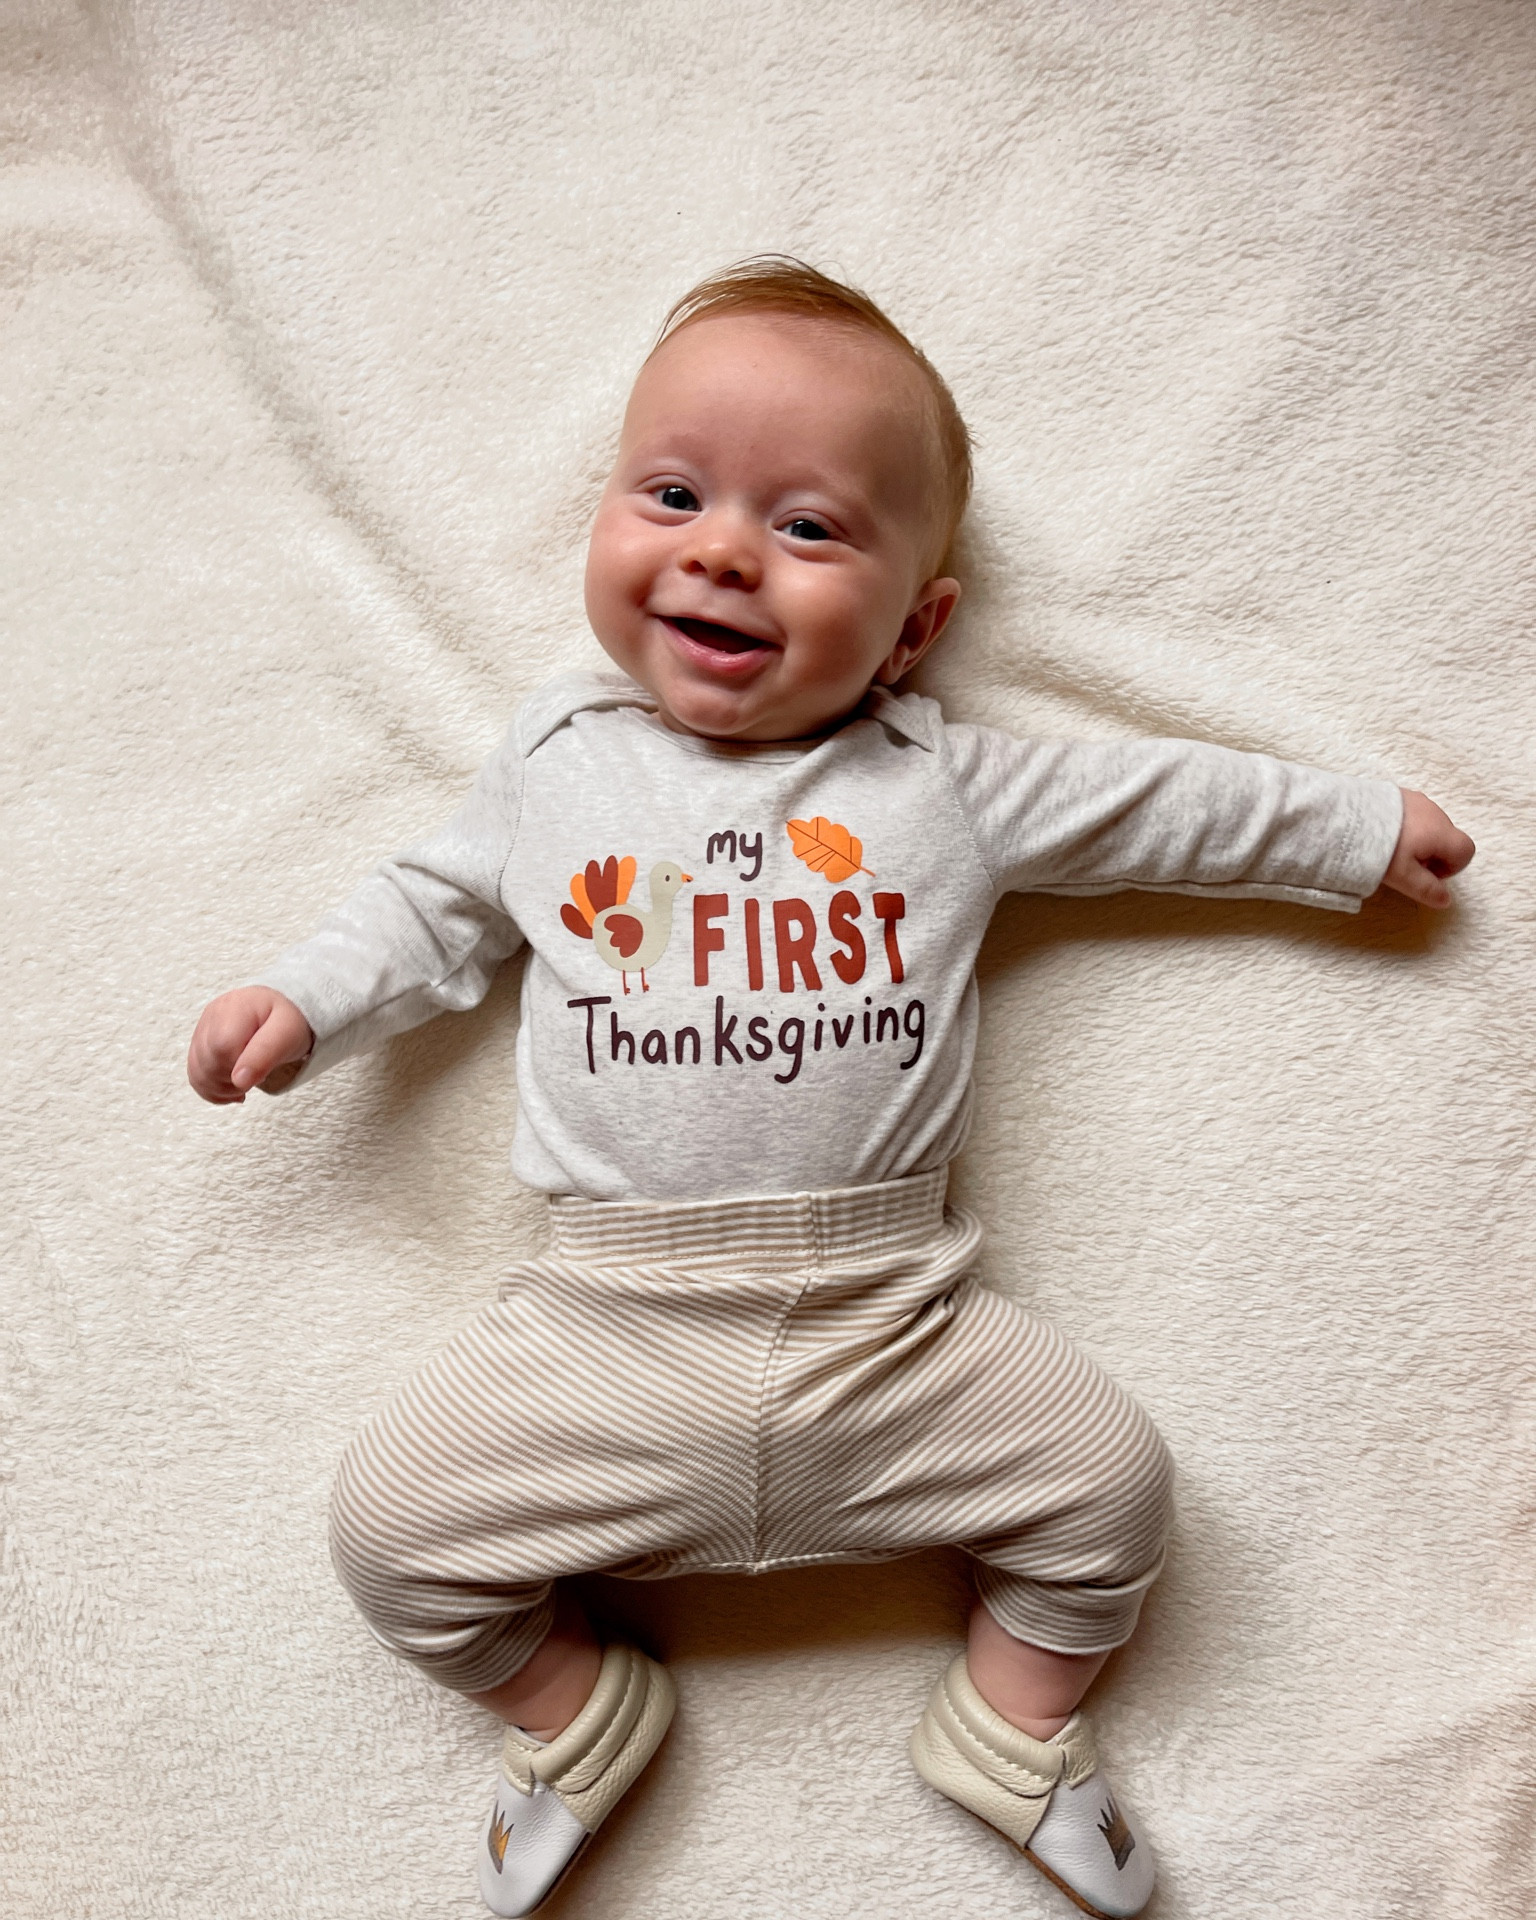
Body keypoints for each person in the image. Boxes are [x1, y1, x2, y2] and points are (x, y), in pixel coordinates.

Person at [186, 258, 1474, 1920]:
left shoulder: (943, 777)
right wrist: (300, 999)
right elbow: (432, 908)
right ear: (606, 521)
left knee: (1115, 1495)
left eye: (808, 528)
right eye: (673, 494)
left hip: (899, 1325)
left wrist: (1352, 831)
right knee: (390, 1536)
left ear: (915, 626)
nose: (722, 550)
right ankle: (581, 1715)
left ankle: (1007, 1732)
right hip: (609, 1330)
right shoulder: (557, 760)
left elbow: (1167, 802)